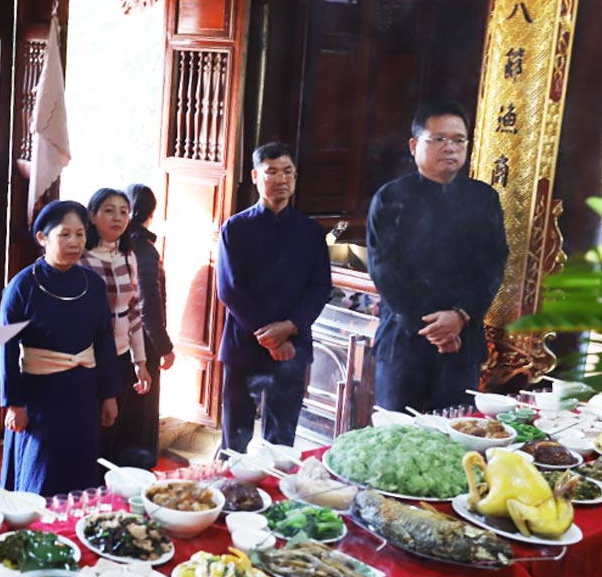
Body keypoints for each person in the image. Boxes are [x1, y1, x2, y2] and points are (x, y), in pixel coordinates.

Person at [367, 100, 509, 413]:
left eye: (459, 140)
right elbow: (384, 270)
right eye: (439, 139)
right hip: (406, 341)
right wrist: (435, 330)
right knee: (399, 441)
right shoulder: (391, 198)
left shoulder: (483, 199)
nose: (450, 148)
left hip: (462, 344)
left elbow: (493, 265)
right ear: (415, 145)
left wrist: (459, 316)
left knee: (454, 435)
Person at [0, 201, 122, 495]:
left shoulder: (92, 284)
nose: (74, 242)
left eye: (80, 234)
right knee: (40, 471)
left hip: (82, 392)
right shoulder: (22, 286)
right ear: (42, 238)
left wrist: (109, 395)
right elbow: (5, 347)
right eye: (64, 235)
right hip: (40, 396)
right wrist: (13, 403)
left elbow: (104, 339)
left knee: (80, 471)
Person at [217, 142, 332, 452]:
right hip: (245, 344)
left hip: (293, 349)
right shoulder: (236, 228)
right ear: (256, 176)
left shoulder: (310, 231)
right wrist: (270, 335)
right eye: (272, 172)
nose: (281, 179)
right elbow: (229, 288)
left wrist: (290, 327)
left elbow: (320, 287)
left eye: (288, 172)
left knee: (281, 440)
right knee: (235, 440)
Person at [80, 188, 152, 466]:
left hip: (119, 353)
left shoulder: (127, 256)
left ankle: (103, 493)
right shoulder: (82, 257)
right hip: (88, 357)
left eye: (124, 211)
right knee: (88, 429)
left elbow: (134, 310)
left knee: (111, 430)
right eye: (109, 210)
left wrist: (140, 360)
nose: (118, 218)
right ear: (92, 215)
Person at [125, 183, 176, 468]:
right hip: (142, 343)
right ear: (151, 213)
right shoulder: (142, 248)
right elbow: (149, 304)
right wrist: (164, 346)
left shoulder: (126, 244)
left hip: (131, 339)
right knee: (140, 413)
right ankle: (137, 472)